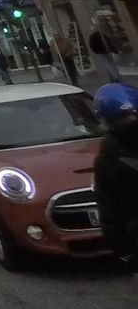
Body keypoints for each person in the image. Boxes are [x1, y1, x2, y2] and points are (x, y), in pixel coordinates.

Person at [92, 82, 138, 273]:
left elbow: (108, 208)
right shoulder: (109, 158)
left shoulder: (108, 156)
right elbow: (108, 207)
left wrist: (122, 249)